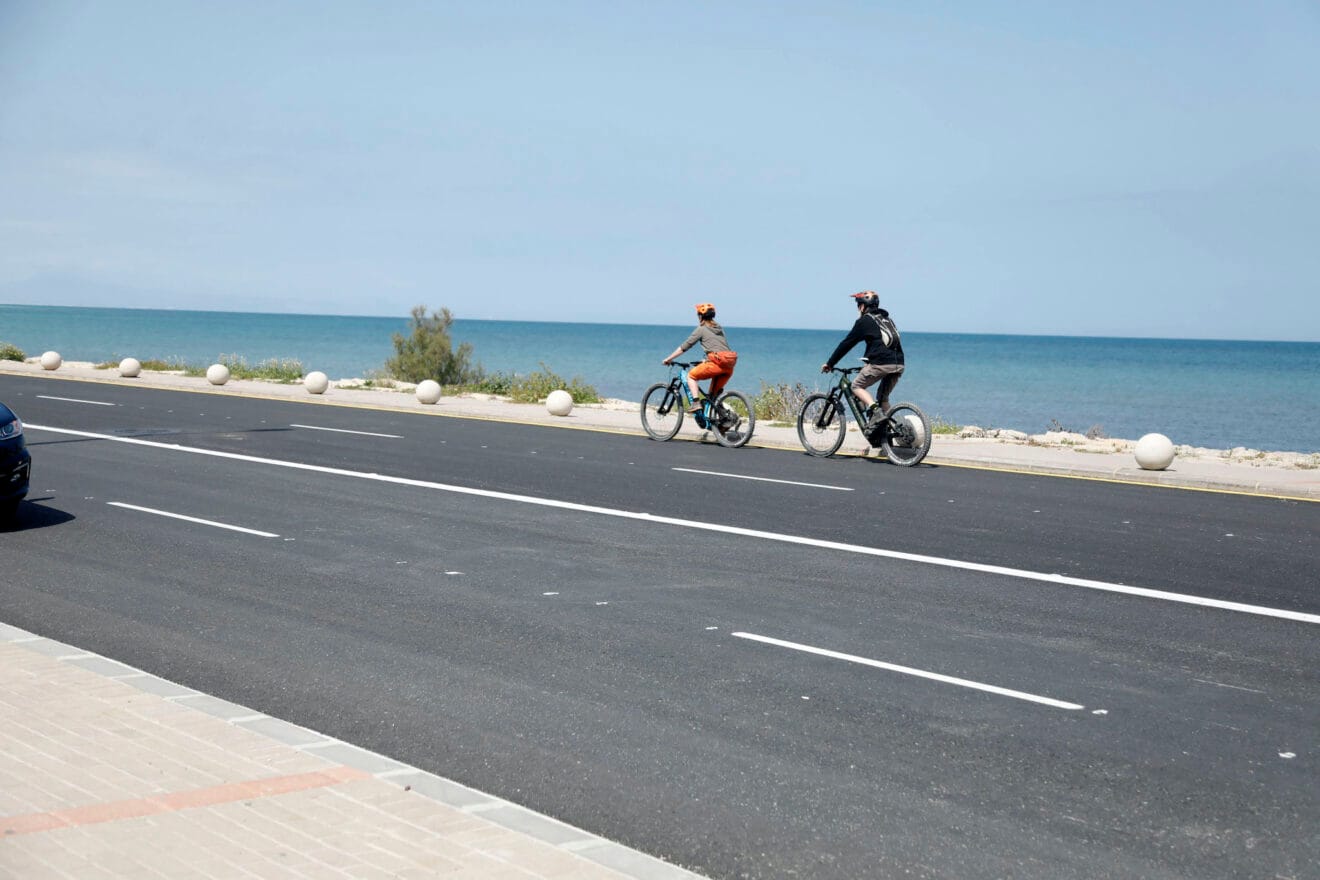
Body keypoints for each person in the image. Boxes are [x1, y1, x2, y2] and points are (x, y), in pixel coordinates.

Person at [821, 290, 905, 430]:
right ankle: (891, 432)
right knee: (883, 398)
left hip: (881, 364)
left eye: (858, 306)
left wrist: (830, 363)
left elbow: (846, 344)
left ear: (862, 306)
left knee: (856, 386)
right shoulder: (887, 320)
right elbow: (882, 343)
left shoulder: (864, 321)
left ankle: (876, 412)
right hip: (898, 364)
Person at [663, 303, 738, 412]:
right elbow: (720, 348)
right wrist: (707, 360)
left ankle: (696, 403)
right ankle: (722, 421)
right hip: (728, 367)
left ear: (701, 316)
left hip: (716, 365)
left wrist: (668, 359)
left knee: (691, 376)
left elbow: (685, 346)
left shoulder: (701, 329)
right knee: (713, 397)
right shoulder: (719, 328)